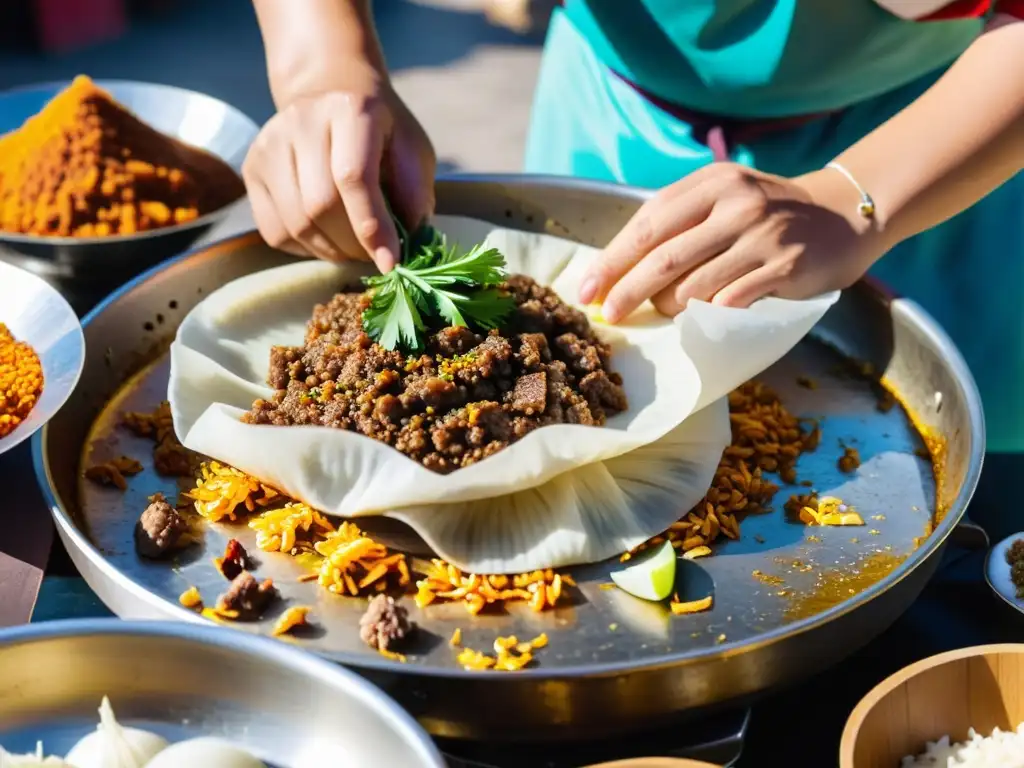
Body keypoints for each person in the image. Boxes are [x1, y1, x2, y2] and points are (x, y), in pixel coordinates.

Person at [243, 0, 1023, 533]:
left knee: (967, 524)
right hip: (611, 115)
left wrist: (857, 198)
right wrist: (323, 63)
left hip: (939, 149)